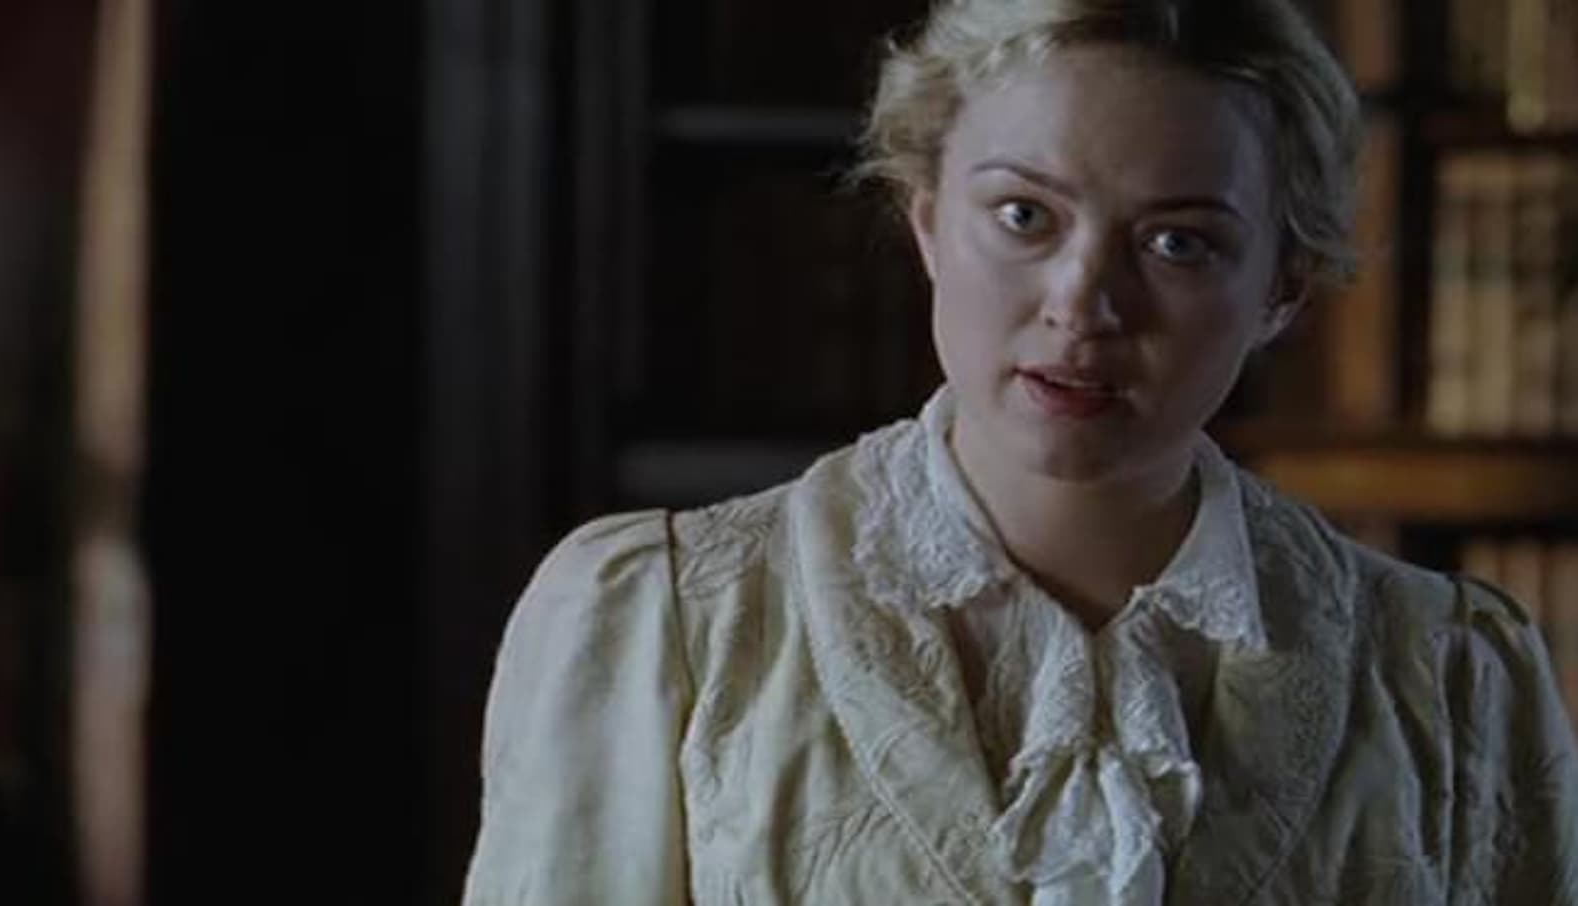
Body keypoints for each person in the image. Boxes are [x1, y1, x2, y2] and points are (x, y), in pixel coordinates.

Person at [462, 0, 1578, 902]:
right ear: (925, 217)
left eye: (1178, 243)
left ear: (1281, 288)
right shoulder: (674, 624)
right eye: (1024, 217)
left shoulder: (1448, 677)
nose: (1083, 304)